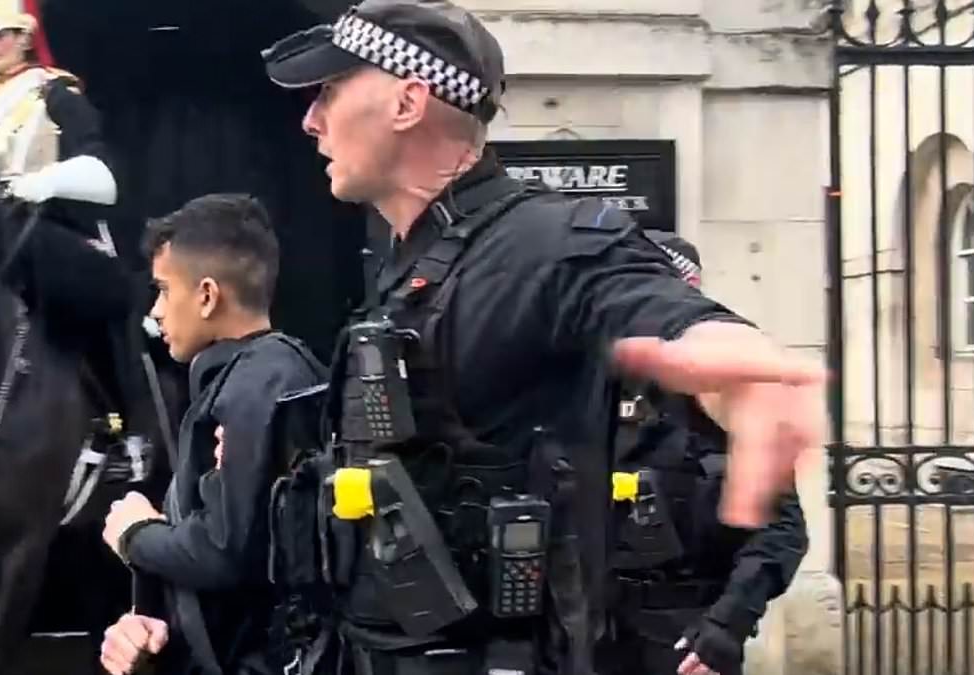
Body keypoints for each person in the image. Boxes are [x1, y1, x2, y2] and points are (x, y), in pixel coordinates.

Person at [257, 1, 825, 674]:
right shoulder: (409, 266)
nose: (311, 119)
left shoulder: (544, 245)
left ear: (408, 102)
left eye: (330, 90)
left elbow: (656, 305)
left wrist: (743, 374)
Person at [98, 194, 329, 675]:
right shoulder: (265, 373)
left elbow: (225, 552)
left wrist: (135, 534)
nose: (156, 311)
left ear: (206, 295)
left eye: (163, 290)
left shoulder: (256, 384)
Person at [600, 230, 808, 675]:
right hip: (596, 633)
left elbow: (782, 531)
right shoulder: (599, 384)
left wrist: (725, 627)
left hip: (686, 633)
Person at [0, 0, 151, 460]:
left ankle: (122, 425)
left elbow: (101, 172)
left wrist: (36, 183)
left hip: (43, 227)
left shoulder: (54, 94)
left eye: (1, 33)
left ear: (24, 36)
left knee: (88, 290)